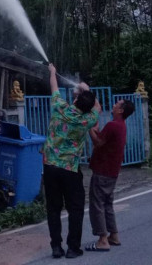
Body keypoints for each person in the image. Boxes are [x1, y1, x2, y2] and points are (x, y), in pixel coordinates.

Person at [42, 63, 100, 259]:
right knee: (75, 208)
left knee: (53, 208)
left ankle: (56, 247)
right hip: (70, 169)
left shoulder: (59, 108)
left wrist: (52, 72)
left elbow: (54, 87)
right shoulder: (87, 120)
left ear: (75, 99)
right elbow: (97, 107)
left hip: (50, 166)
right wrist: (88, 90)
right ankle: (73, 248)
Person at [85, 98, 136, 253]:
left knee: (97, 204)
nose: (113, 105)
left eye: (117, 104)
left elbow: (98, 142)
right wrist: (94, 129)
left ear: (121, 110)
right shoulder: (121, 125)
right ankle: (113, 235)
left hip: (102, 170)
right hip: (112, 171)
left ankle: (102, 240)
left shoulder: (113, 125)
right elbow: (103, 138)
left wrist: (88, 127)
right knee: (107, 204)